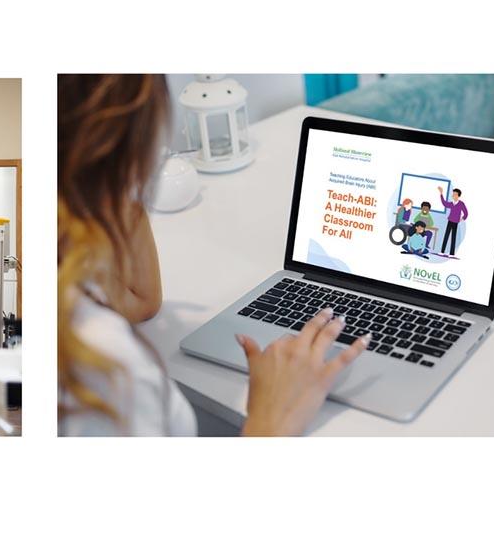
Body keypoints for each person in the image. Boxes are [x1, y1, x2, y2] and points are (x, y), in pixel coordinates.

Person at [58, 74, 370, 436]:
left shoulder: (69, 275)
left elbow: (141, 301)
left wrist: (118, 185)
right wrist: (269, 420)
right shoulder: (104, 369)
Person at [437, 186, 468, 256]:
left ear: (458, 195)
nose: (453, 195)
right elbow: (444, 203)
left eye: (454, 194)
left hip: (456, 222)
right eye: (453, 194)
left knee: (453, 237)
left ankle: (452, 253)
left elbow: (466, 213)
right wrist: (441, 193)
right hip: (450, 221)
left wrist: (462, 219)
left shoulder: (461, 204)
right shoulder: (451, 203)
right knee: (446, 236)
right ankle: (442, 251)